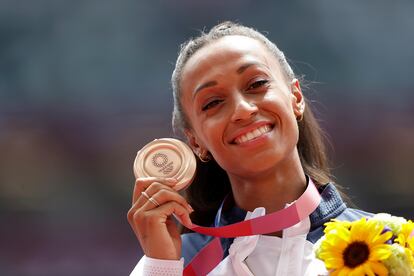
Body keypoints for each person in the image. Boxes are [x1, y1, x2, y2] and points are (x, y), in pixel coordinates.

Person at [127, 21, 371, 275]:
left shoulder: (387, 244)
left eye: (256, 84)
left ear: (295, 98)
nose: (243, 110)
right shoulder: (172, 264)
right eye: (213, 103)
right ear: (196, 142)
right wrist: (161, 267)